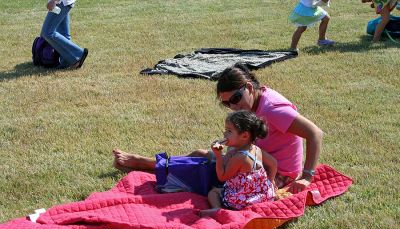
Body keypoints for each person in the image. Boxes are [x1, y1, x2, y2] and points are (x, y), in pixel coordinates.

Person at [113, 63, 323, 194]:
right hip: (255, 159)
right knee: (199, 155)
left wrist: (307, 176)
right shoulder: (255, 102)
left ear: (249, 87)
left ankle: (146, 165)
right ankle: (151, 164)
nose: (233, 106)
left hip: (278, 173)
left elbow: (315, 133)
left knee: (207, 174)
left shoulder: (274, 109)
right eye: (227, 103)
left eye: (236, 98)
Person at [200, 110, 277, 215]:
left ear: (244, 136)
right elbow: (273, 163)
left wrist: (218, 155)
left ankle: (217, 210)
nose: (224, 133)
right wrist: (270, 181)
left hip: (243, 201)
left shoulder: (240, 157)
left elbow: (222, 177)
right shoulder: (255, 149)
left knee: (214, 192)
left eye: (229, 131)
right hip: (262, 195)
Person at [41, 0, 88, 69]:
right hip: (64, 3)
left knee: (47, 32)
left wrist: (54, 1)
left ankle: (78, 55)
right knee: (63, 34)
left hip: (61, 2)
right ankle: (67, 61)